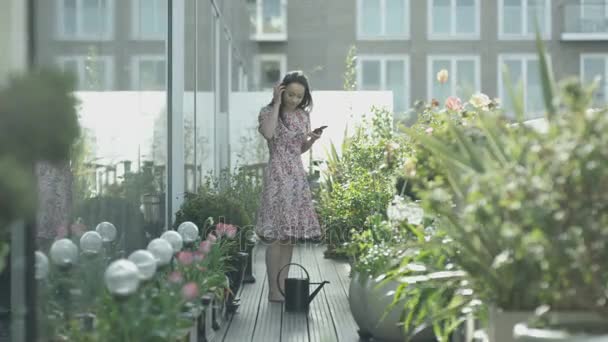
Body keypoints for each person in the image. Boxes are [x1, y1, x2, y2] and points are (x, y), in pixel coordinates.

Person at [255, 71, 323, 302]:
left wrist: (311, 140)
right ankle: (273, 290)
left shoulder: (304, 117)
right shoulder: (267, 112)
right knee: (276, 234)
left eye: (298, 96)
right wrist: (276, 102)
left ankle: (282, 288)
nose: (294, 99)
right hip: (277, 175)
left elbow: (298, 149)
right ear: (282, 90)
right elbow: (269, 133)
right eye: (290, 94)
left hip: (296, 176)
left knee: (289, 236)